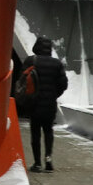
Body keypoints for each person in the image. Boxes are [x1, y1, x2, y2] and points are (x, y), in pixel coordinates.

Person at [23, 36, 68, 172]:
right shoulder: (57, 64)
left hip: (34, 104)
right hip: (49, 104)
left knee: (35, 133)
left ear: (37, 46)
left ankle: (37, 163)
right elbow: (63, 84)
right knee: (48, 131)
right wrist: (54, 95)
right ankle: (48, 159)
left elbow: (22, 81)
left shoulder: (31, 61)